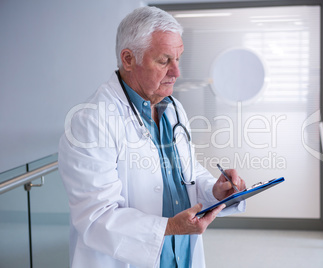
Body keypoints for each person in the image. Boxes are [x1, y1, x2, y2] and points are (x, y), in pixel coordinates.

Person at [58, 6, 246, 268]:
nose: (176, 72)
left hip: (181, 256)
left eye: (178, 58)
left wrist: (215, 190)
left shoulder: (173, 109)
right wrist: (167, 227)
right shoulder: (91, 122)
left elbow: (185, 175)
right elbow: (95, 218)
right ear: (128, 59)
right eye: (164, 60)